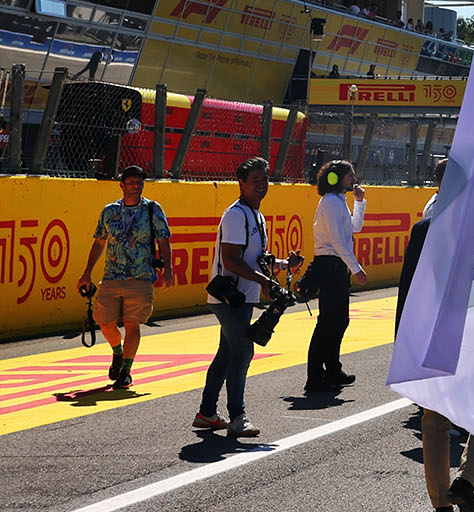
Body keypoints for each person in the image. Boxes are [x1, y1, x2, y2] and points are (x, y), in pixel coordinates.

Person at [394, 213, 474, 512]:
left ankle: (440, 507)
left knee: (434, 423)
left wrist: (404, 342)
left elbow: (407, 291)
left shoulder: (424, 228)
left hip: (433, 336)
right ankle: (465, 480)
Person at [194, 157, 295, 438]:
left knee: (226, 354)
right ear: (241, 183)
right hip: (229, 297)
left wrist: (283, 264)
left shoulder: (257, 215)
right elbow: (231, 260)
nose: (261, 185)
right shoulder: (236, 215)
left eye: (265, 179)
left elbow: (256, 257)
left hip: (243, 296)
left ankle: (207, 413)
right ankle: (238, 417)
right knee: (242, 352)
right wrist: (266, 282)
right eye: (255, 180)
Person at [79, 166, 170, 389]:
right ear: (122, 185)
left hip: (141, 276)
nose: (136, 186)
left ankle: (126, 371)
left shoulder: (152, 209)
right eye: (131, 182)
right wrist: (87, 272)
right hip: (112, 276)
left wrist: (168, 269)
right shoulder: (109, 211)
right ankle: (117, 353)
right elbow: (99, 241)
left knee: (132, 323)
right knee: (105, 322)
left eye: (139, 182)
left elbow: (164, 240)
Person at [304, 160, 368, 393]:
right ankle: (315, 375)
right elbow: (338, 241)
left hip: (337, 265)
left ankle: (332, 369)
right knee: (327, 323)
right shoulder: (330, 202)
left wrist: (359, 202)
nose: (354, 179)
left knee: (339, 320)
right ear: (336, 178)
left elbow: (355, 228)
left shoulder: (339, 201)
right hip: (330, 264)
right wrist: (356, 268)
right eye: (350, 175)